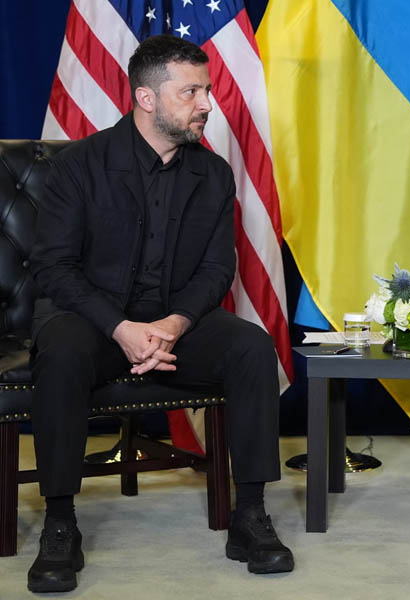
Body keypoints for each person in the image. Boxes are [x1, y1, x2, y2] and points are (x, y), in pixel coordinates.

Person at [26, 35, 294, 593]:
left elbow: (217, 270)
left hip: (173, 322)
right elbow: (54, 268)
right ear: (146, 98)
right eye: (191, 91)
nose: (206, 104)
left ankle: (249, 515)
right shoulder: (79, 166)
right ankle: (60, 522)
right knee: (63, 351)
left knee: (250, 345)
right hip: (94, 320)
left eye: (207, 90)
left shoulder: (214, 176)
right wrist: (121, 329)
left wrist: (173, 325)